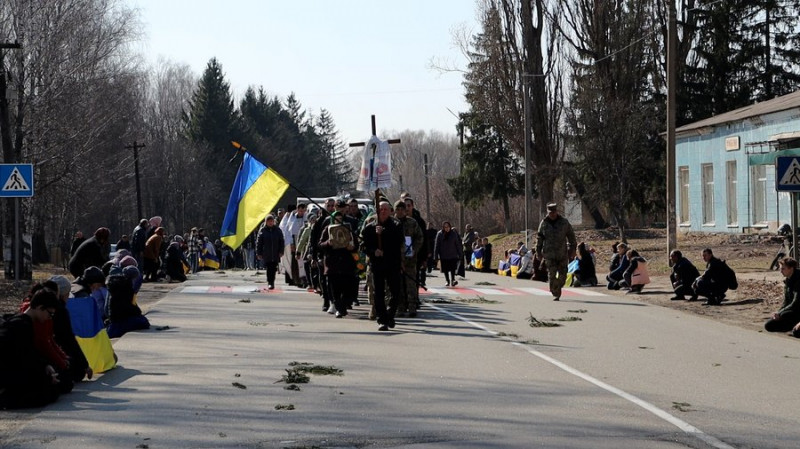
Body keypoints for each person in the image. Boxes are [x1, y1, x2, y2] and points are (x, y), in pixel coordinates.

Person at [319, 211, 358, 318]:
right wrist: (328, 243)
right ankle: (339, 309)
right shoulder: (327, 229)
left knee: (347, 288)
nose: (338, 220)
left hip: (346, 263)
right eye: (336, 218)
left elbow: (356, 243)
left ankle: (343, 305)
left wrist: (352, 247)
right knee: (335, 289)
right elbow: (320, 244)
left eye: (340, 218)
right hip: (333, 264)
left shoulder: (348, 228)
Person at [535, 202, 577, 301]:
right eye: (550, 213)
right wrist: (538, 251)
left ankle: (557, 287)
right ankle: (556, 293)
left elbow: (571, 236)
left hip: (562, 253)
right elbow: (539, 238)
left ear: (556, 212)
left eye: (554, 212)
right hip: (549, 254)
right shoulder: (544, 223)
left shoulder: (564, 222)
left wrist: (573, 249)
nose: (552, 215)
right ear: (548, 212)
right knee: (551, 275)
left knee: (563, 276)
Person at [394, 200, 424, 317]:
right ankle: (400, 307)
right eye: (398, 209)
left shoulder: (412, 222)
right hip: (396, 259)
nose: (400, 212)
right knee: (398, 284)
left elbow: (420, 237)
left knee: (411, 284)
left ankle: (412, 307)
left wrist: (414, 250)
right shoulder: (392, 222)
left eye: (402, 209)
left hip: (410, 259)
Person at [765, 257, 800, 336]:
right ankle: (793, 327)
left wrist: (781, 313)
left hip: (797, 309)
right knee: (769, 325)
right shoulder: (788, 280)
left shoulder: (798, 281)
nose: (780, 271)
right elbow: (786, 301)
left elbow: (796, 302)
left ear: (791, 268)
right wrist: (778, 312)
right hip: (794, 311)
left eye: (783, 269)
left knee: (797, 332)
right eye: (780, 269)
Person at [256, 215, 285, 290]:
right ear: (266, 222)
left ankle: (272, 281)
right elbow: (259, 243)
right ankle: (270, 282)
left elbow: (281, 241)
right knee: (269, 268)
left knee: (274, 268)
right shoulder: (263, 231)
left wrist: (281, 251)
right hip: (267, 253)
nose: (270, 223)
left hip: (275, 253)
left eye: (271, 221)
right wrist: (259, 253)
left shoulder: (278, 230)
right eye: (269, 221)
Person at [434, 221, 463, 287]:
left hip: (453, 254)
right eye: (445, 227)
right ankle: (447, 280)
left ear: (450, 227)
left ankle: (453, 280)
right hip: (443, 254)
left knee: (453, 268)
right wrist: (435, 256)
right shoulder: (440, 234)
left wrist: (460, 254)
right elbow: (437, 245)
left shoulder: (453, 234)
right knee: (445, 269)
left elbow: (457, 244)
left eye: (448, 227)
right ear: (443, 228)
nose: (447, 228)